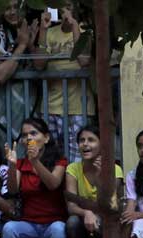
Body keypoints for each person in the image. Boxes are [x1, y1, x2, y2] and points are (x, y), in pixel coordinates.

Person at [65, 125, 125, 238]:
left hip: (107, 219)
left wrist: (100, 178)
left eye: (91, 140)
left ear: (102, 145)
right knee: (72, 224)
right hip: (83, 219)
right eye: (82, 141)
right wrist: (87, 213)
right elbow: (71, 206)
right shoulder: (73, 169)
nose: (85, 144)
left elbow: (111, 205)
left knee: (101, 225)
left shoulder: (114, 169)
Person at [39, 7, 94, 161]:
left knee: (78, 159)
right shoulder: (50, 32)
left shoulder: (85, 30)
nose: (66, 13)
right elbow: (38, 64)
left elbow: (83, 60)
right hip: (51, 105)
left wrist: (75, 25)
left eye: (70, 7)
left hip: (78, 106)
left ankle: (74, 186)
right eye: (62, 8)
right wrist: (43, 31)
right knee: (51, 158)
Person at [0, 1, 42, 147]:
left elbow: (40, 66)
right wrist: (22, 45)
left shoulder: (35, 28)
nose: (12, 12)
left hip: (31, 102)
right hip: (4, 106)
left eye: (16, 7)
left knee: (33, 151)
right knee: (7, 154)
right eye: (7, 8)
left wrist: (30, 44)